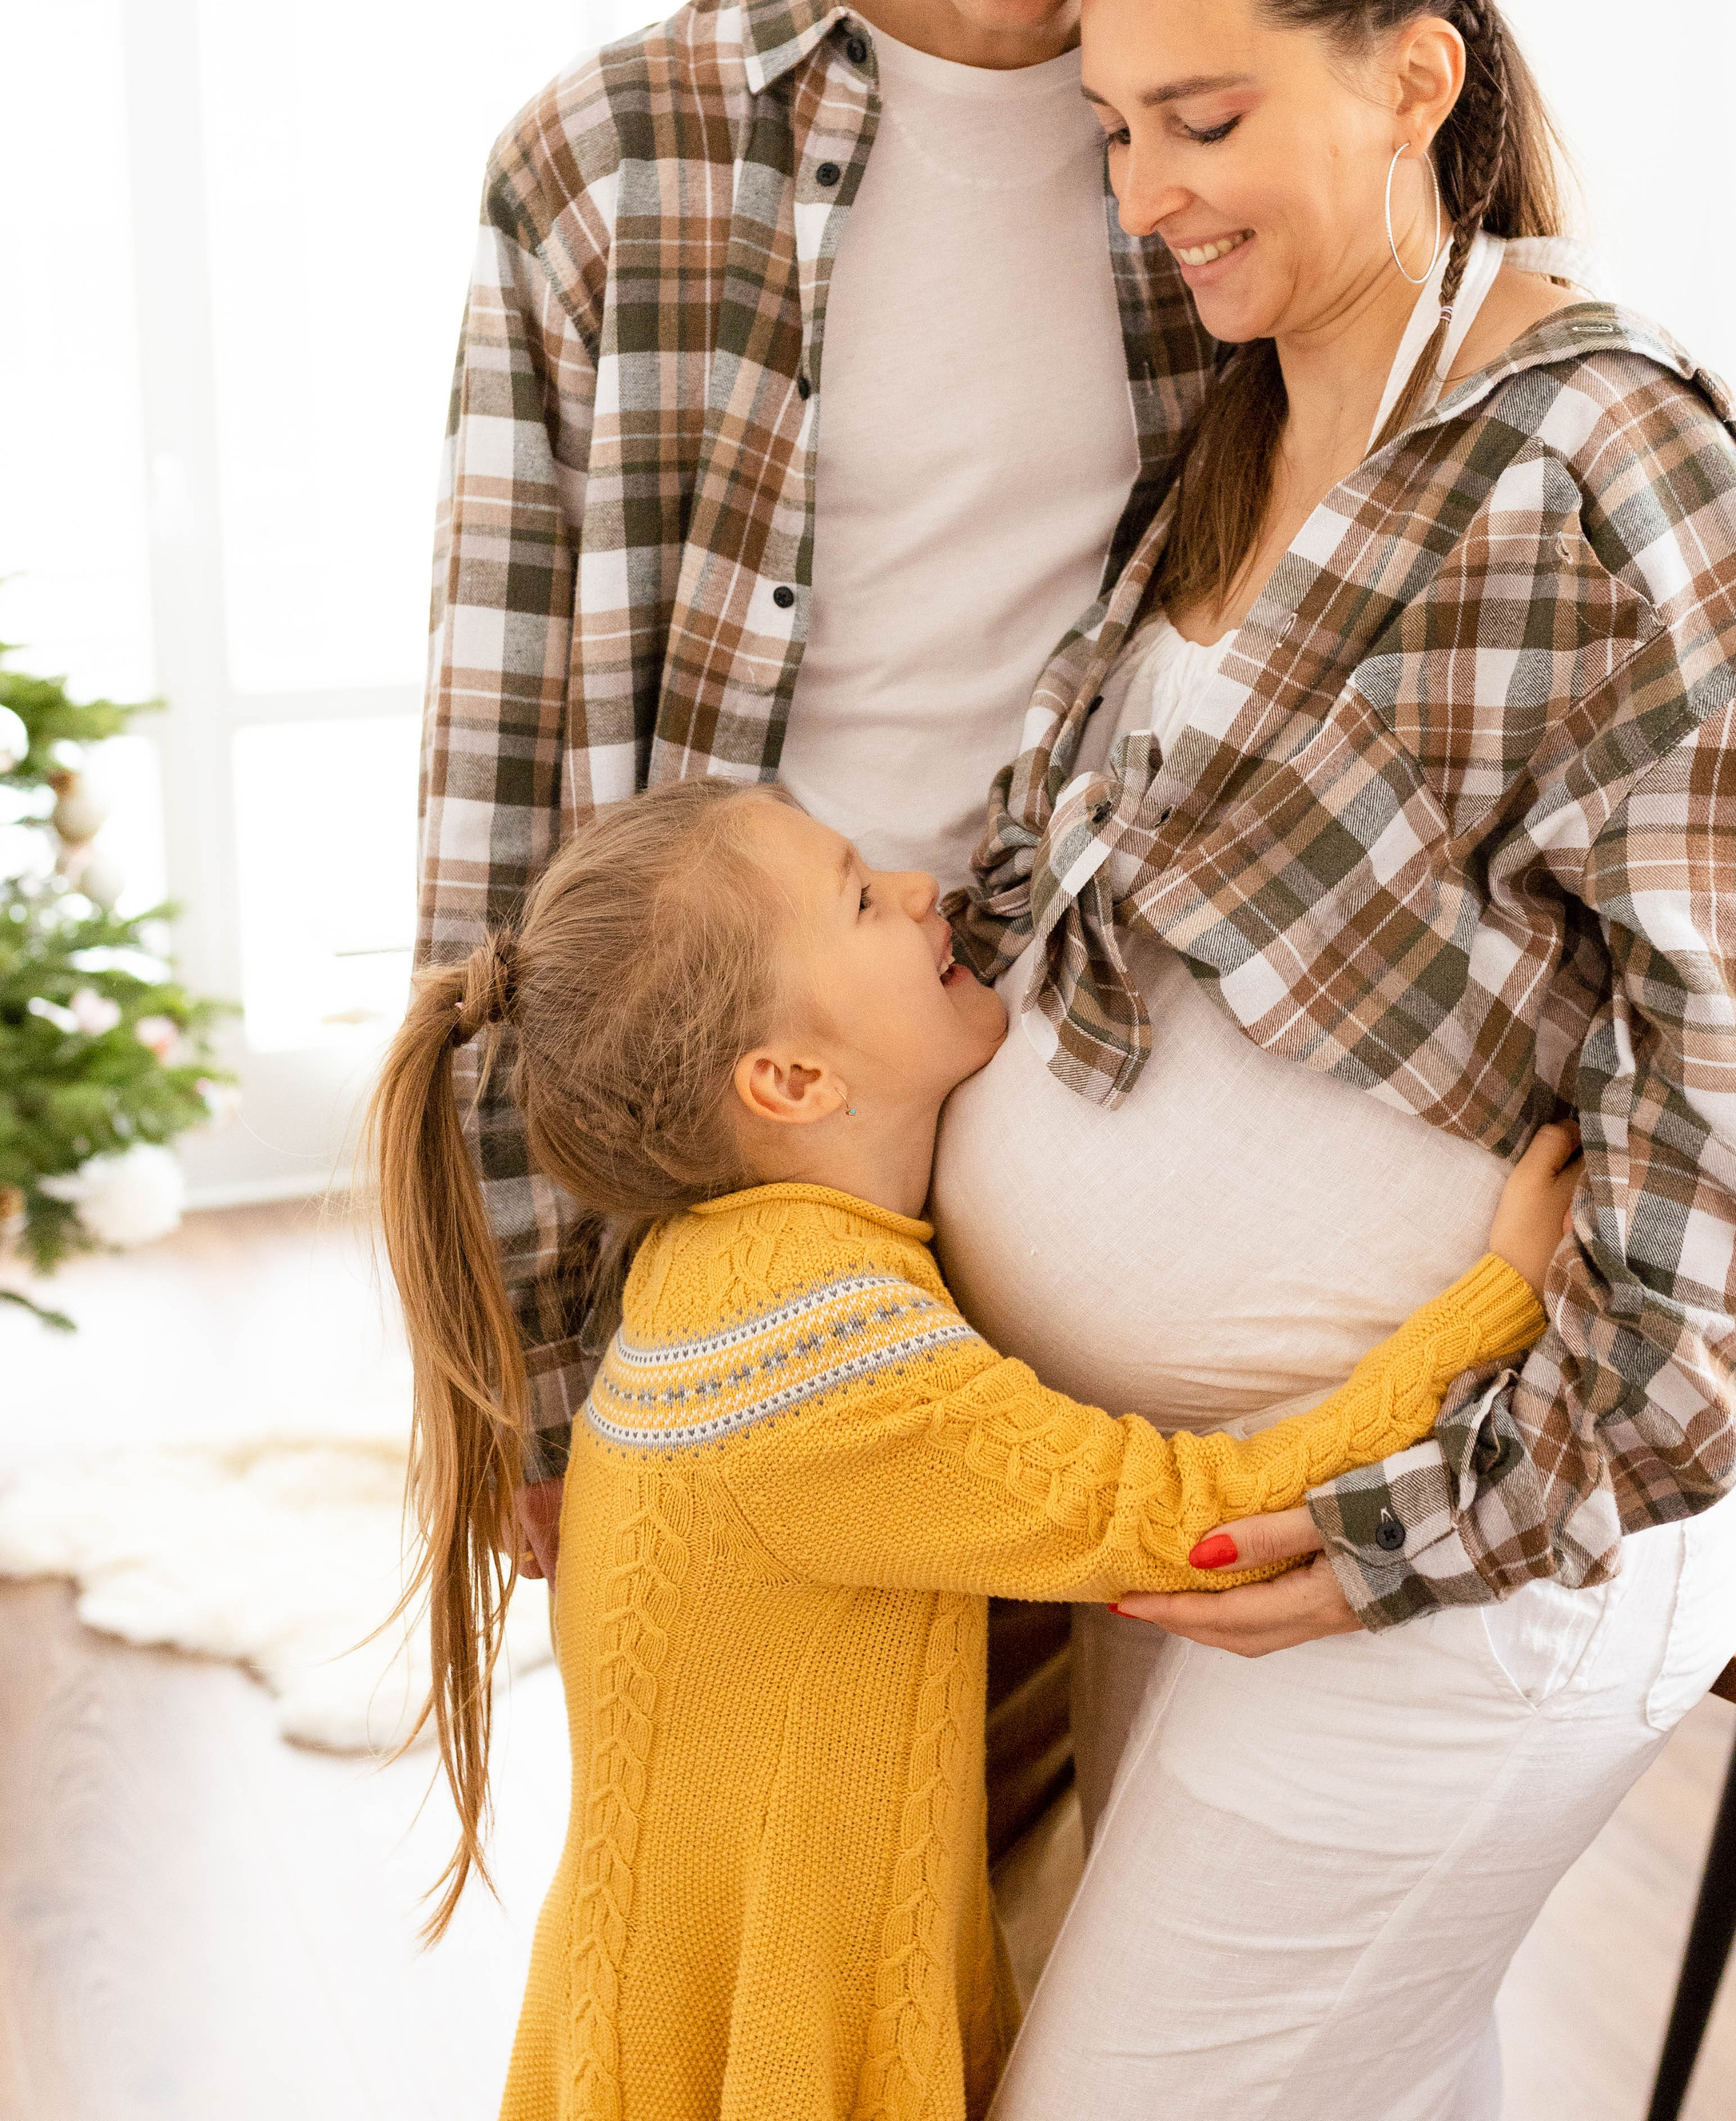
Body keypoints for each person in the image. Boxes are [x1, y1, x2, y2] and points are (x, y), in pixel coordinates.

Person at [932, 0, 1736, 2115]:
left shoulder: (1601, 459)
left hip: (1458, 1561)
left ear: (1411, 76)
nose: (1147, 194)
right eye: (1114, 130)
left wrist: (1444, 1512)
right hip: (1209, 1513)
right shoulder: (1236, 434)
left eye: (1203, 119)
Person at [414, 0, 1220, 1675]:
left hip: (1115, 1125)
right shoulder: (612, 162)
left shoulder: (1233, 142)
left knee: (1092, 1826)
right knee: (783, 1822)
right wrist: (517, 1348)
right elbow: (500, 777)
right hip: (747, 1179)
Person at [372, 779, 1581, 2119]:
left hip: (660, 2010)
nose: (917, 889)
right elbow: (1196, 1519)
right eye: (858, 899)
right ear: (792, 1080)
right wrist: (1495, 1300)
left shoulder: (714, 1271)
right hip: (752, 2062)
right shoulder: (821, 1353)